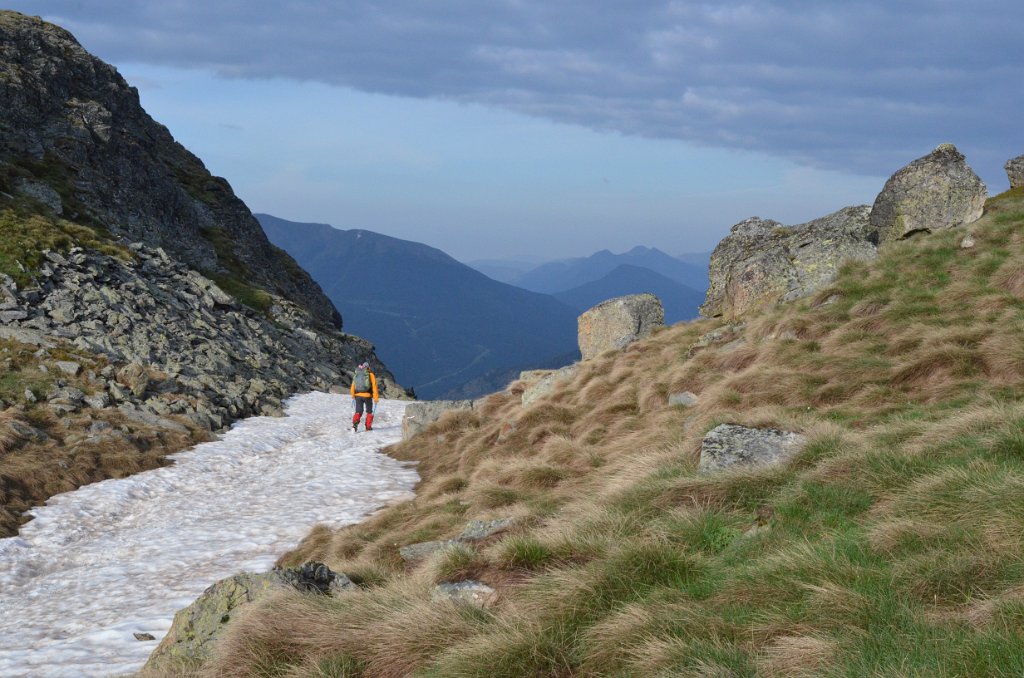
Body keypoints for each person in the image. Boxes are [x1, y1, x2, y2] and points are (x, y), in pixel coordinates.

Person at [350, 361, 378, 431]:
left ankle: (355, 423)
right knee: (369, 411)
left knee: (358, 411)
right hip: (367, 396)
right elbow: (374, 387)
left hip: (358, 396)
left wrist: (353, 395)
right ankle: (368, 426)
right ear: (368, 367)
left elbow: (353, 385)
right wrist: (376, 398)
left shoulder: (357, 374)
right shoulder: (371, 374)